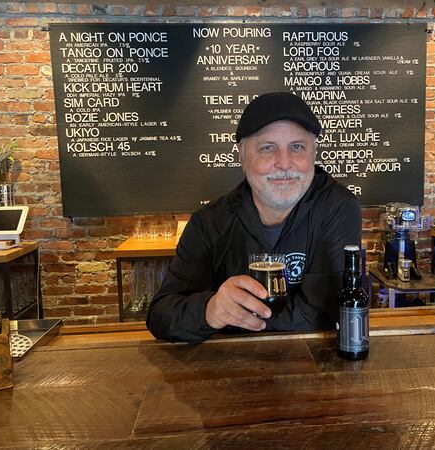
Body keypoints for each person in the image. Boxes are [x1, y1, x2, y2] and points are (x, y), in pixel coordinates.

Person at [147, 92, 362, 343]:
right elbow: (160, 316)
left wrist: (236, 322)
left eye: (297, 147)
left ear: (314, 152)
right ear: (241, 155)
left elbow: (324, 311)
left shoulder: (338, 208)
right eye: (267, 148)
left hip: (317, 366)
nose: (284, 163)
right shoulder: (210, 222)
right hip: (228, 371)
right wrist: (210, 310)